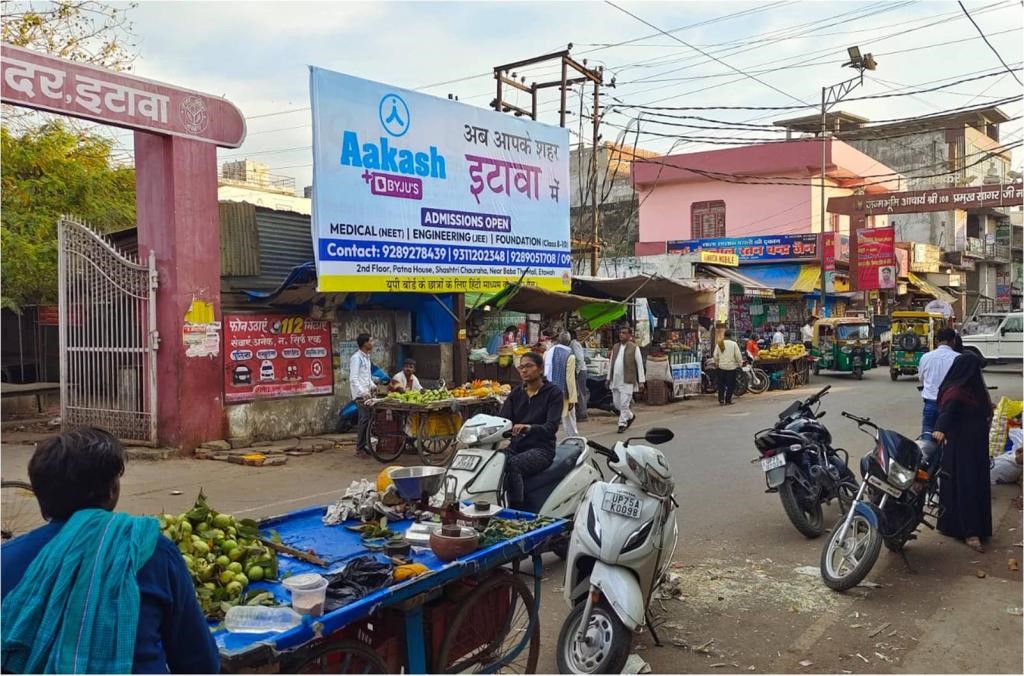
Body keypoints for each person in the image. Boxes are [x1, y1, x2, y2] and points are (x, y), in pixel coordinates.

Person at [1, 428, 219, 674]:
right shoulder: (151, 551)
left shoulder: (6, 560)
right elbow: (200, 663)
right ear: (112, 491)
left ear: (40, 497)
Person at [931, 352, 993, 553]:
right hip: (962, 448)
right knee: (966, 485)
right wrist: (940, 429)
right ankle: (970, 531)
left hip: (976, 446)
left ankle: (962, 526)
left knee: (974, 484)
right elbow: (948, 411)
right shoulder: (957, 391)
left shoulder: (973, 390)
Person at [497, 352, 562, 509]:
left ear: (540, 369)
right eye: (521, 367)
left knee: (513, 465)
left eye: (529, 366)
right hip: (516, 447)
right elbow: (502, 419)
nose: (524, 370)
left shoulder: (554, 393)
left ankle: (517, 510)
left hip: (541, 449)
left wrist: (529, 428)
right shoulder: (516, 393)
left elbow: (552, 427)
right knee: (492, 462)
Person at [918, 328, 959, 436]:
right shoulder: (958, 359)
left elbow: (921, 378)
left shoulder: (925, 357)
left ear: (936, 340)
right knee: (950, 438)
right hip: (951, 406)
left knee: (927, 436)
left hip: (930, 403)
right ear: (953, 341)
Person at [608, 326, 646, 434]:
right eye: (620, 332)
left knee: (624, 404)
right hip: (616, 380)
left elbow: (639, 365)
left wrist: (641, 381)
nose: (621, 334)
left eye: (624, 333)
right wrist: (608, 378)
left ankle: (622, 424)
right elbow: (611, 364)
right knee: (617, 404)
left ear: (629, 336)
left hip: (628, 380)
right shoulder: (615, 347)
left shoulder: (634, 348)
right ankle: (630, 416)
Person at [547, 332, 579, 436]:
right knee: (569, 417)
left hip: (550, 390)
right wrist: (572, 399)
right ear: (569, 342)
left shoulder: (549, 352)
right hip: (563, 392)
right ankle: (573, 439)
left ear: (559, 340)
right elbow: (570, 379)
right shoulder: (570, 356)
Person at [350, 333, 374, 458]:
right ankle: (359, 449)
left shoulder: (367, 357)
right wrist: (362, 392)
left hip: (367, 394)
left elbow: (366, 376)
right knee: (364, 420)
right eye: (371, 341)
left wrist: (372, 385)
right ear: (365, 343)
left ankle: (364, 446)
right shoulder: (356, 358)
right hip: (360, 395)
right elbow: (353, 379)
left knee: (368, 420)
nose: (372, 343)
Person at [713, 330, 744, 406]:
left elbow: (715, 355)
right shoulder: (733, 344)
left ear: (724, 335)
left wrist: (717, 363)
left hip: (721, 367)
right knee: (731, 385)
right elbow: (738, 355)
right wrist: (740, 363)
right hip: (731, 368)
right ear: (731, 336)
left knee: (721, 385)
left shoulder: (720, 344)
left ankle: (721, 400)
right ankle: (728, 400)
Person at [568, 329, 589, 422]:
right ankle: (581, 412)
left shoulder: (575, 344)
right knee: (579, 392)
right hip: (578, 370)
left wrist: (577, 371)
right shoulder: (571, 345)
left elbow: (580, 359)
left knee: (580, 393)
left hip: (580, 371)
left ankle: (583, 414)